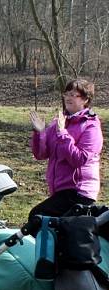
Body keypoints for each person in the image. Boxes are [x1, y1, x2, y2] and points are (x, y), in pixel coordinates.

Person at [28, 78, 103, 218]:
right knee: (53, 227)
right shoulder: (60, 121)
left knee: (38, 217)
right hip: (61, 191)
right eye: (67, 94)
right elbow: (41, 154)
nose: (68, 98)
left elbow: (79, 159)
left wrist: (63, 134)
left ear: (85, 99)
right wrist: (39, 132)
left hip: (79, 192)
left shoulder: (90, 126)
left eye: (74, 95)